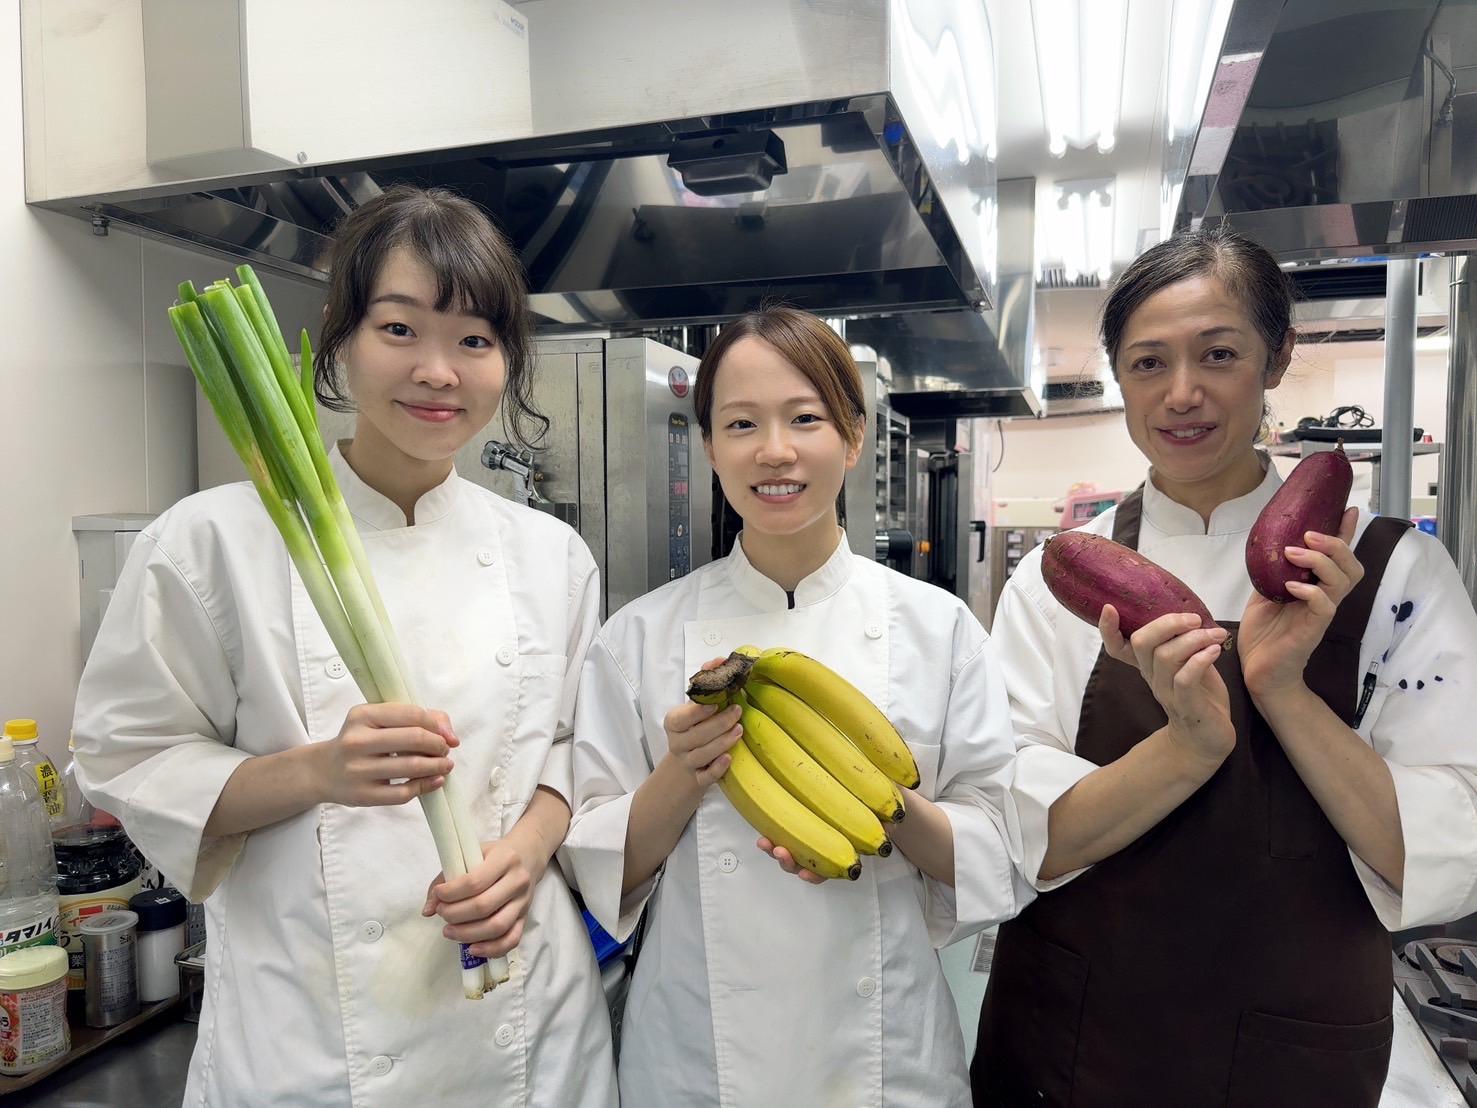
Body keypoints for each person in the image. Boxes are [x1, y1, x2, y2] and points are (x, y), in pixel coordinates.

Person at [72, 186, 618, 1107]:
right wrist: (318, 771)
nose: (439, 371)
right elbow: (126, 756)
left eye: (475, 340)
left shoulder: (549, 553)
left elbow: (578, 748)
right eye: (400, 329)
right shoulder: (214, 539)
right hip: (311, 1047)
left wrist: (525, 854)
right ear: (339, 340)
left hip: (526, 1029)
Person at [970, 224, 1477, 1107]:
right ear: (1116, 379)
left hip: (1295, 1047)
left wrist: (1281, 691)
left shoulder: (1392, 575)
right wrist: (1192, 743)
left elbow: (1435, 854)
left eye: (1217, 353)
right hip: (1073, 1041)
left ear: (1275, 358)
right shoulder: (1058, 577)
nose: (1181, 394)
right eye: (1145, 364)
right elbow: (1024, 839)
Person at [562, 305, 1031, 1106]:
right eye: (740, 423)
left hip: (884, 1056)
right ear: (708, 447)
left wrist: (874, 815)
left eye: (804, 418)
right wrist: (685, 771)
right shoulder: (636, 638)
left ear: (851, 437)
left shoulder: (937, 628)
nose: (773, 451)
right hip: (700, 1054)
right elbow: (601, 869)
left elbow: (997, 848)